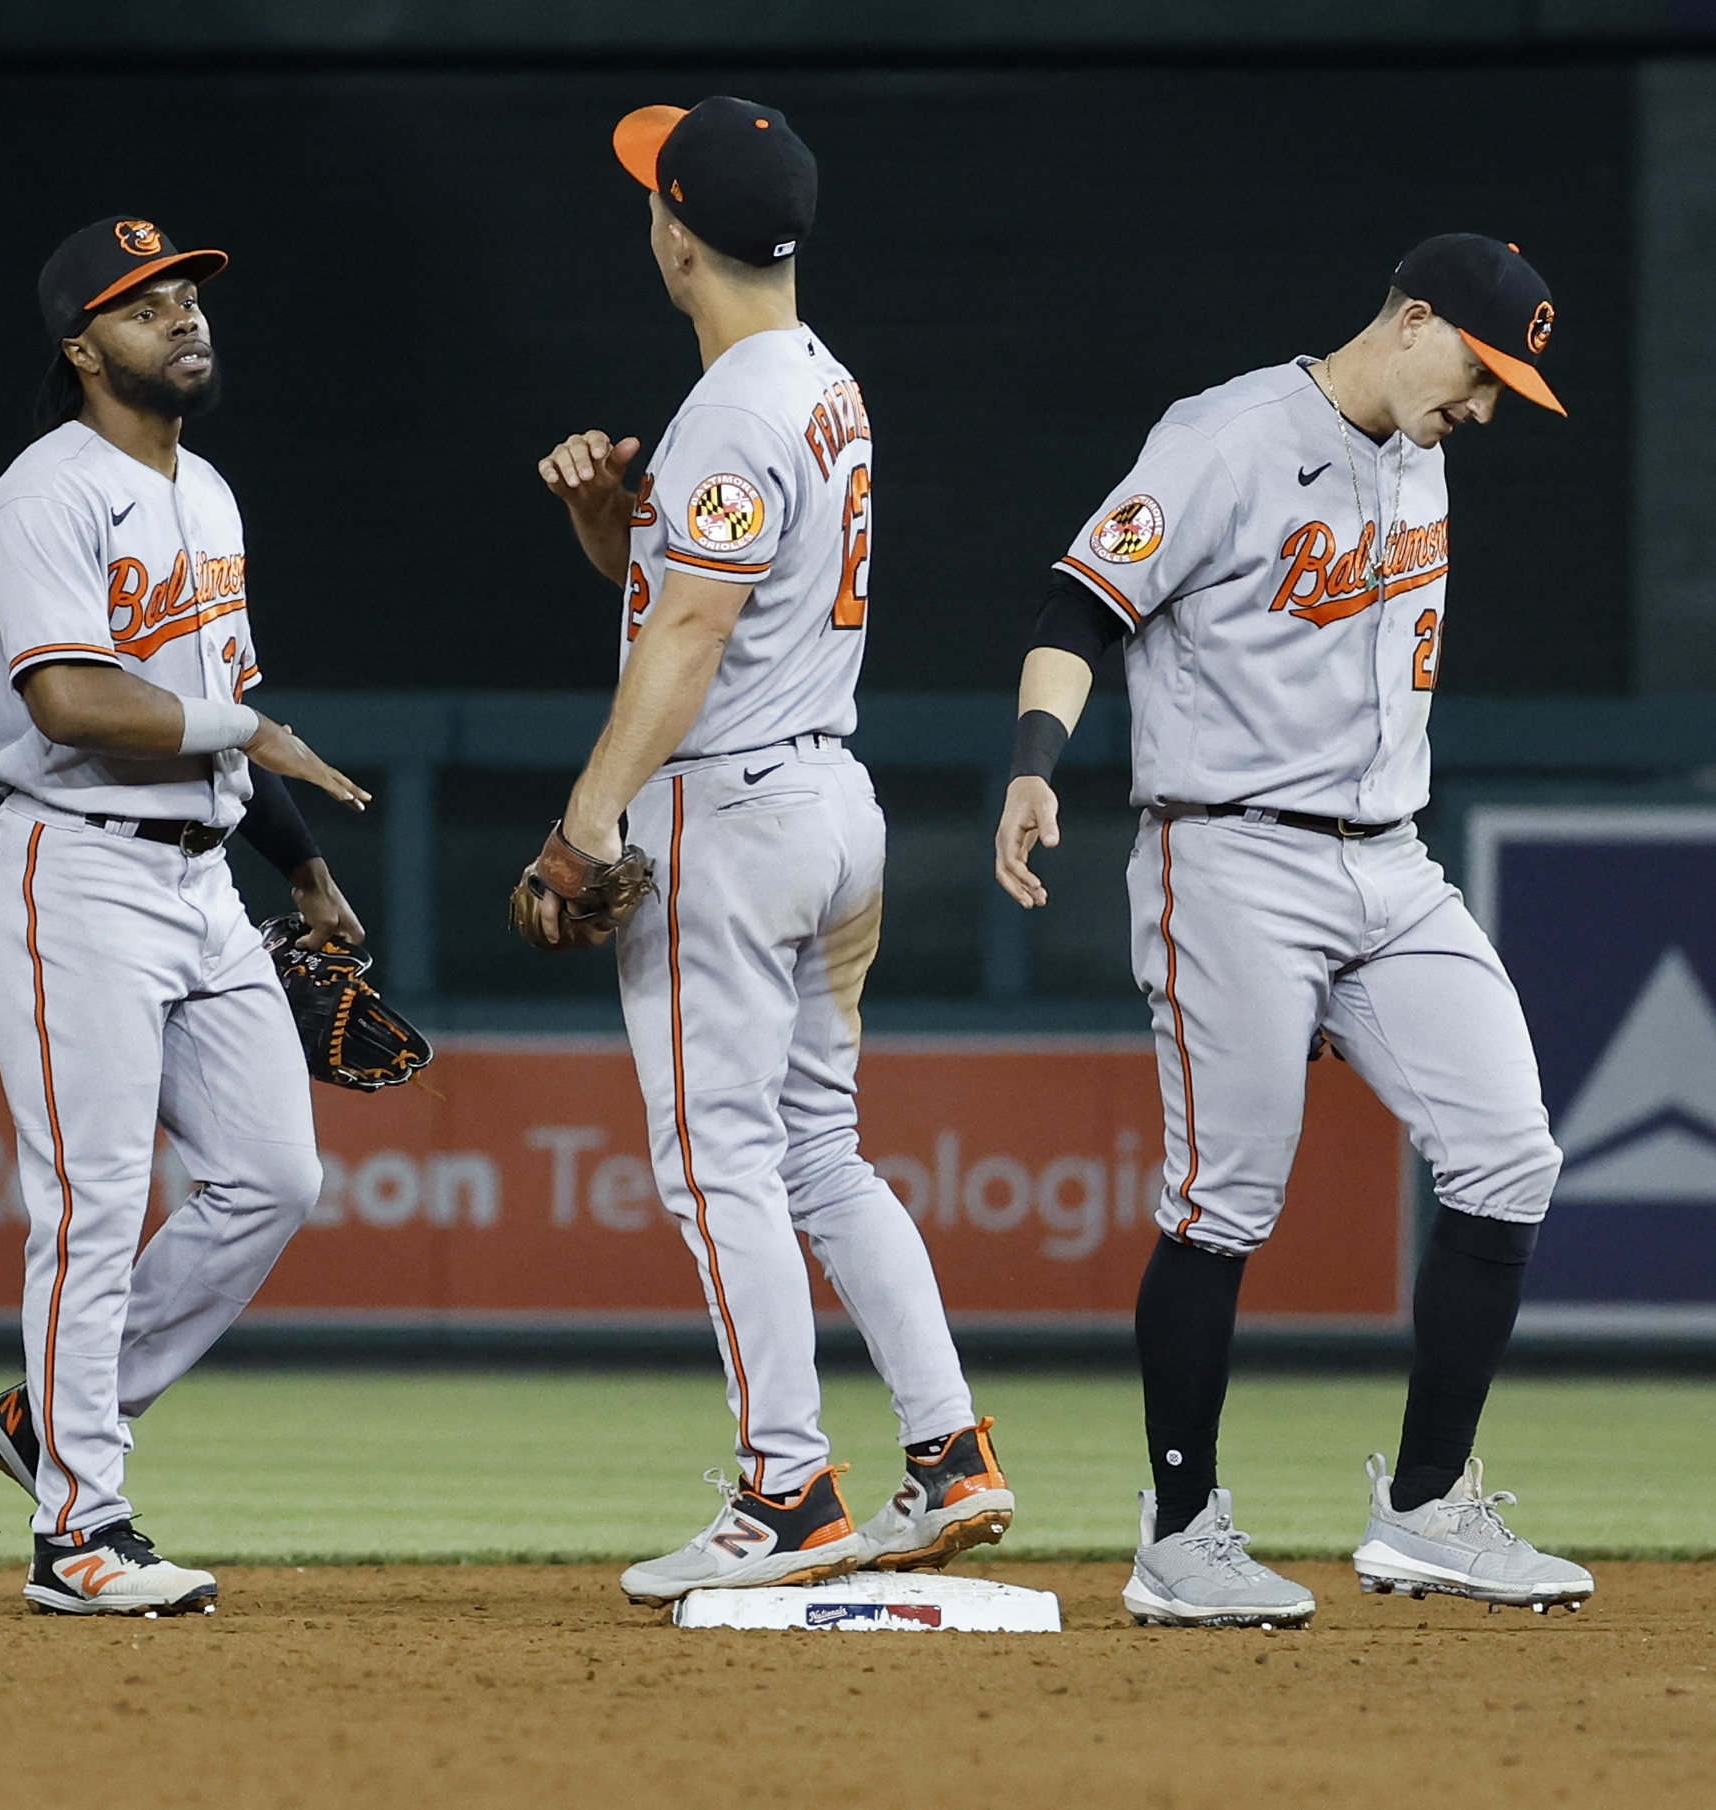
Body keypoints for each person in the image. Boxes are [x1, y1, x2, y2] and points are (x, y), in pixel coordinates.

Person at [994, 234, 1595, 1626]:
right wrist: (1034, 762)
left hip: (1391, 863)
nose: (1488, 407)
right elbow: (1079, 603)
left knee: (1511, 1152)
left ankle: (1429, 1506)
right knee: (1225, 1200)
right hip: (1230, 858)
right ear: (1414, 320)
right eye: (1481, 370)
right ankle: (1183, 1530)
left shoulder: (1420, 447)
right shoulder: (1227, 437)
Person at [527, 99, 1009, 1607]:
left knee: (719, 1160)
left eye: (651, 201)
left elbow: (690, 640)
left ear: (681, 231)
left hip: (727, 817)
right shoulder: (815, 381)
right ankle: (950, 1454)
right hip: (826, 805)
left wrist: (586, 818)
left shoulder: (734, 407)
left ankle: (781, 1490)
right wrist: (614, 525)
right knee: (816, 1148)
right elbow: (681, 589)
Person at [0, 215, 370, 1616]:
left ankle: (50, 1421)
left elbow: (216, 735)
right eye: (144, 305)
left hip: (198, 877)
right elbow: (68, 700)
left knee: (277, 1174)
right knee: (89, 1197)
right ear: (82, 347)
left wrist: (301, 868)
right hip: (70, 867)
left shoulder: (209, 494)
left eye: (188, 294)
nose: (183, 316)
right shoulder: (46, 495)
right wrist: (245, 722)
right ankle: (77, 1529)